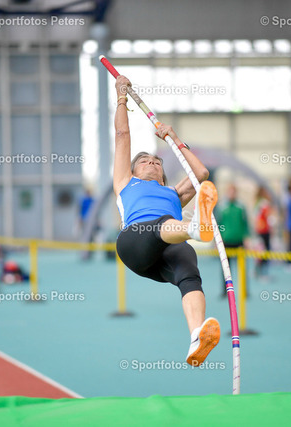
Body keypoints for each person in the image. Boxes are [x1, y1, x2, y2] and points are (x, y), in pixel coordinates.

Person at [113, 75, 220, 366]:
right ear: (134, 170)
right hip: (134, 243)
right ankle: (194, 228)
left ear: (162, 173)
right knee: (160, 224)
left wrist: (175, 140)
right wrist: (121, 97)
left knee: (189, 269)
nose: (151, 162)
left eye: (156, 162)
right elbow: (122, 135)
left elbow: (201, 174)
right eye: (144, 161)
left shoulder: (173, 192)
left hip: (165, 249)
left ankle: (196, 337)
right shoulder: (125, 183)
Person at [216, 183, 250, 297]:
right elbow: (218, 225)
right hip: (226, 241)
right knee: (225, 269)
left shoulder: (241, 207)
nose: (232, 194)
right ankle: (225, 291)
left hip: (239, 241)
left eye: (233, 192)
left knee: (242, 268)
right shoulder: (222, 207)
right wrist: (217, 241)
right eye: (230, 192)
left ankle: (244, 291)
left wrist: (247, 237)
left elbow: (245, 224)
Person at [254, 186, 273, 279]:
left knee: (260, 251)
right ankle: (262, 272)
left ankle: (258, 271)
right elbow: (268, 216)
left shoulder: (258, 204)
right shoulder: (264, 204)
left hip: (260, 230)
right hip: (264, 230)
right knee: (264, 251)